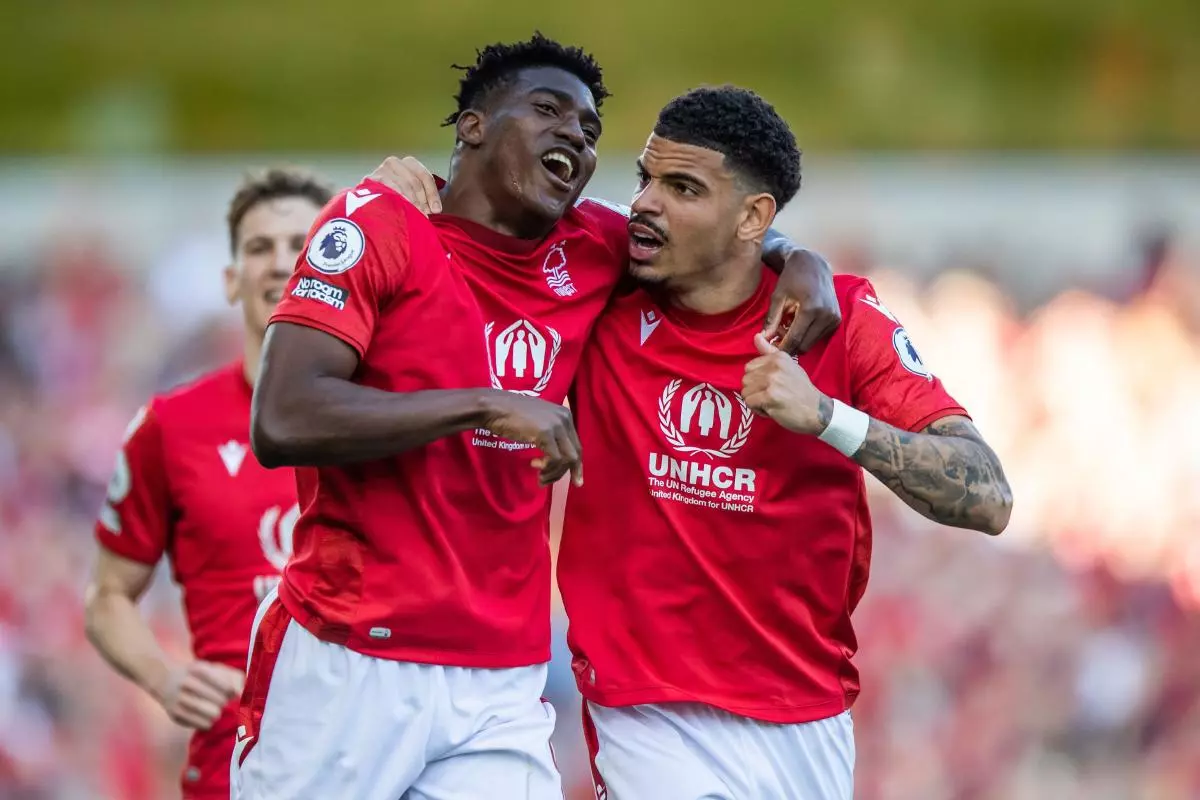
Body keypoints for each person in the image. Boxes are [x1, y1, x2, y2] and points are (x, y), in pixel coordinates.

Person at [235, 35, 840, 799]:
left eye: (590, 131)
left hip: (501, 677)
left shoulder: (593, 247)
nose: (575, 138)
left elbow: (712, 231)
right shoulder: (378, 225)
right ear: (473, 126)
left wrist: (800, 259)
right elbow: (283, 418)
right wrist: (486, 405)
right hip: (350, 649)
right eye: (548, 110)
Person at [558, 86, 1014, 799]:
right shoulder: (603, 279)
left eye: (682, 188)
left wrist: (829, 417)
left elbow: (988, 495)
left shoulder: (844, 320)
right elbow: (493, 204)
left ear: (752, 217)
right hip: (648, 710)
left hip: (804, 718)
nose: (646, 203)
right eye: (646, 177)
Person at [82, 167, 332, 800]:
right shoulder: (171, 426)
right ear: (230, 279)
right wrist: (163, 678)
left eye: (302, 245)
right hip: (231, 763)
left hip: (373, 752)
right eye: (260, 247)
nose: (281, 262)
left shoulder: (389, 415)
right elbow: (107, 596)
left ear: (338, 269)